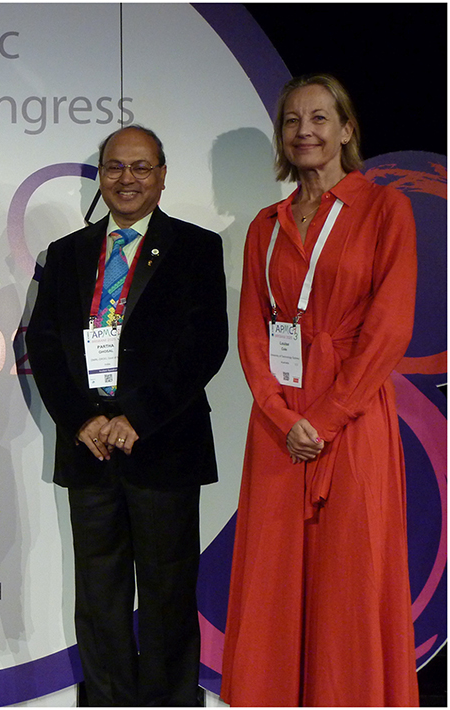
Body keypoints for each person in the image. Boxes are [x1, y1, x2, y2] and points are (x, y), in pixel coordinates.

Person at [220, 74, 419, 706]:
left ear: (346, 129)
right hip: (280, 426)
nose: (304, 131)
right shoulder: (265, 224)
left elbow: (390, 328)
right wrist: (281, 417)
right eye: (291, 121)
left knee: (349, 579)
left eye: (319, 118)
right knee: (273, 580)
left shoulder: (384, 208)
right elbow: (253, 331)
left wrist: (328, 418)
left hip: (351, 419)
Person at [25, 125, 228, 706]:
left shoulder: (196, 247)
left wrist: (135, 417)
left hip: (162, 446)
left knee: (167, 596)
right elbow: (42, 343)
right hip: (88, 450)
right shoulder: (65, 255)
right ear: (101, 176)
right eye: (115, 167)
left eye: (141, 168)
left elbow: (204, 346)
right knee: (99, 599)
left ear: (163, 176)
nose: (127, 179)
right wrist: (84, 421)